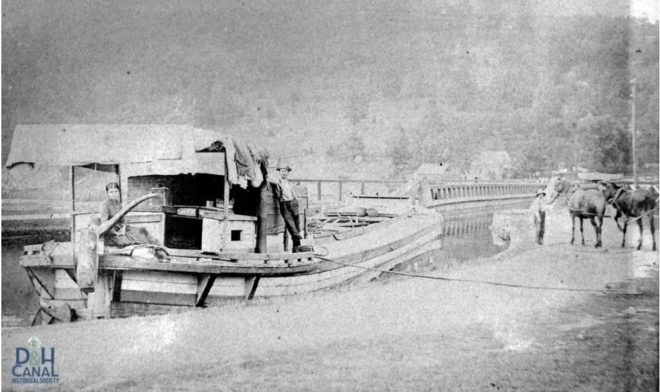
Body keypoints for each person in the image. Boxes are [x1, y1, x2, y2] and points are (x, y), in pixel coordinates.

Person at [99, 182, 159, 247]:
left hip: (122, 229)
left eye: (116, 191)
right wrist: (116, 232)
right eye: (111, 192)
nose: (114, 194)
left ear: (119, 192)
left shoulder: (118, 203)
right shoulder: (104, 205)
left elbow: (123, 219)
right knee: (131, 240)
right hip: (112, 234)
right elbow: (104, 224)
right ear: (107, 193)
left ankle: (160, 247)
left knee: (142, 231)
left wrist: (124, 228)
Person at [269, 162, 302, 252]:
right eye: (282, 171)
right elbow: (270, 179)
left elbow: (293, 193)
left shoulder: (289, 183)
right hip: (284, 204)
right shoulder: (278, 181)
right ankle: (297, 236)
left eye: (286, 171)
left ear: (288, 173)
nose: (284, 173)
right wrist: (276, 178)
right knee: (290, 223)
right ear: (279, 172)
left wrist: (296, 200)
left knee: (297, 223)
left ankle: (296, 246)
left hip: (294, 203)